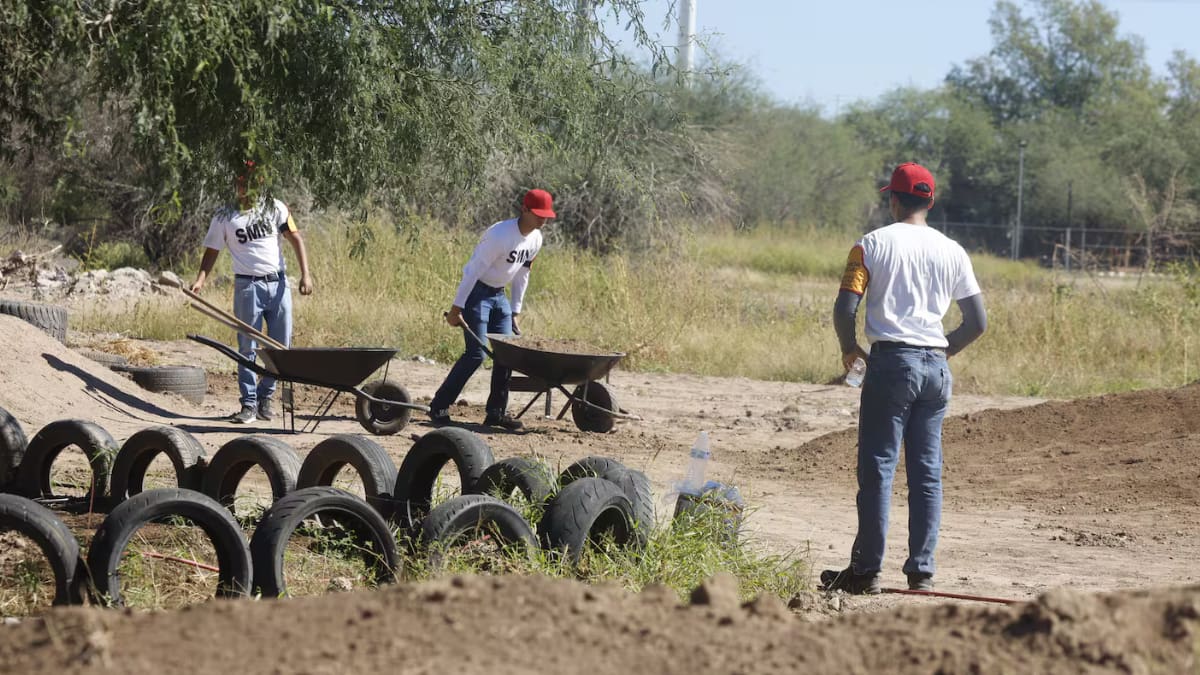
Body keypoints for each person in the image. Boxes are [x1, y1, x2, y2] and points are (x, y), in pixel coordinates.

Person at [822, 162, 987, 594]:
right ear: (930, 201)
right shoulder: (953, 250)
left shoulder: (870, 245)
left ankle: (866, 571)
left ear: (893, 200)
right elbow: (977, 322)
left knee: (878, 469)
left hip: (891, 365)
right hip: (935, 368)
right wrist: (939, 351)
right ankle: (922, 573)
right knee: (927, 472)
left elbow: (845, 309)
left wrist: (848, 349)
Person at [191, 162, 314, 424]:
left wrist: (306, 275)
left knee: (281, 346)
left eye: (254, 181)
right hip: (248, 287)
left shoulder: (275, 207)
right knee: (247, 346)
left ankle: (265, 398)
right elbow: (212, 251)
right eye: (243, 181)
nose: (248, 187)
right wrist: (201, 280)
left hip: (278, 285)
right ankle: (248, 404)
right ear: (237, 184)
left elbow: (295, 239)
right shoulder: (225, 216)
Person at [429, 188, 555, 430]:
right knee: (475, 354)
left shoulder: (536, 238)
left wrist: (516, 310)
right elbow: (472, 271)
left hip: (499, 296)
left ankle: (496, 413)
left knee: (507, 355)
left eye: (547, 215)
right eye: (538, 214)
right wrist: (456, 309)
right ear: (524, 209)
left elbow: (522, 274)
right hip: (477, 293)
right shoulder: (499, 235)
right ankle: (439, 406)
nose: (543, 219)